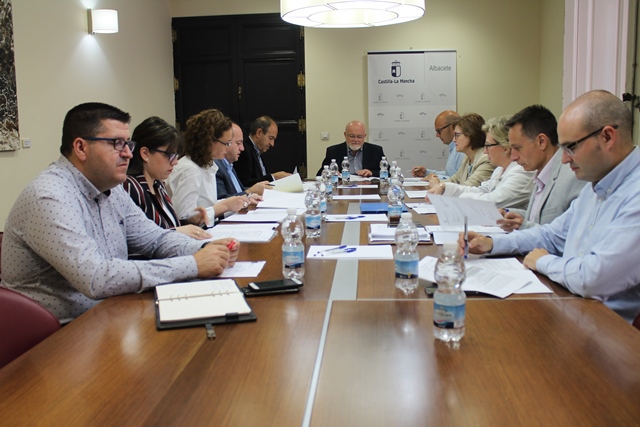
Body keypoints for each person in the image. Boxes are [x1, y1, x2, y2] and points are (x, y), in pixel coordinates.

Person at [0, 102, 239, 322]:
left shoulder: (112, 190)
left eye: (128, 144)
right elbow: (96, 278)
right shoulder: (49, 196)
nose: (128, 153)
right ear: (81, 148)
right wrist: (193, 264)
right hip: (55, 336)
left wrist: (206, 249)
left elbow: (155, 239)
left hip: (108, 315)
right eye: (116, 144)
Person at [460, 90, 640, 323]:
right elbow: (552, 235)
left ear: (607, 137)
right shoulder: (595, 185)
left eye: (571, 147)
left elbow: (593, 278)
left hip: (609, 328)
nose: (564, 159)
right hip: (573, 308)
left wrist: (543, 261)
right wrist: (491, 243)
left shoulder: (634, 192)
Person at [497, 105, 584, 231]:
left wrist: (523, 226)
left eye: (517, 148)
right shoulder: (542, 172)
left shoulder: (573, 176)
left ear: (541, 141)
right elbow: (539, 218)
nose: (513, 157)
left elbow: (569, 233)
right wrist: (509, 214)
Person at [123, 116, 211, 240]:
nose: (175, 162)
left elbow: (167, 227)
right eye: (170, 155)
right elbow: (139, 239)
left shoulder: (158, 184)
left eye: (176, 156)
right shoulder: (130, 187)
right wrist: (178, 231)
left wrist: (189, 221)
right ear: (145, 154)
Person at [426, 116, 534, 210]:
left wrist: (455, 195)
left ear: (505, 148)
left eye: (488, 146)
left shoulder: (522, 173)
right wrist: (444, 187)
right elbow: (480, 190)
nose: (485, 151)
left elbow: (491, 201)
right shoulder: (499, 170)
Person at [167, 109, 250, 226]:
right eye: (226, 143)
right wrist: (225, 206)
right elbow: (185, 218)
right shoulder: (189, 170)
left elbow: (208, 205)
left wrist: (239, 202)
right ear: (209, 141)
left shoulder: (207, 164)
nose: (228, 148)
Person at [427, 113, 494, 188]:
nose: (454, 140)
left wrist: (439, 185)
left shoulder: (485, 159)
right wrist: (432, 184)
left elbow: (468, 187)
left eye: (457, 135)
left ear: (471, 135)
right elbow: (454, 180)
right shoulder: (467, 158)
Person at [233, 116, 291, 187]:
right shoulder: (244, 151)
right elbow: (245, 184)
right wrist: (273, 177)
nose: (272, 144)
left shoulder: (258, 151)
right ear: (259, 133)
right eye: (270, 138)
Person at [215, 123, 269, 200]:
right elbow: (222, 200)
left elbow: (239, 191)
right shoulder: (216, 167)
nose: (242, 148)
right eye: (238, 143)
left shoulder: (229, 166)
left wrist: (255, 191)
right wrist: (250, 191)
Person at [316, 120, 386, 177]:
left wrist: (371, 172)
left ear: (364, 136)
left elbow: (388, 172)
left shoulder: (376, 150)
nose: (355, 140)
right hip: (342, 187)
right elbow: (320, 174)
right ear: (345, 135)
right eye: (352, 136)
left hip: (367, 188)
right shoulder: (333, 151)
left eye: (359, 137)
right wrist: (330, 172)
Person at [411, 110, 464, 179]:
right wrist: (426, 172)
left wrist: (432, 177)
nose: (437, 135)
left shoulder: (462, 150)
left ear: (452, 128)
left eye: (439, 131)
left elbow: (458, 180)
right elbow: (449, 174)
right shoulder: (453, 147)